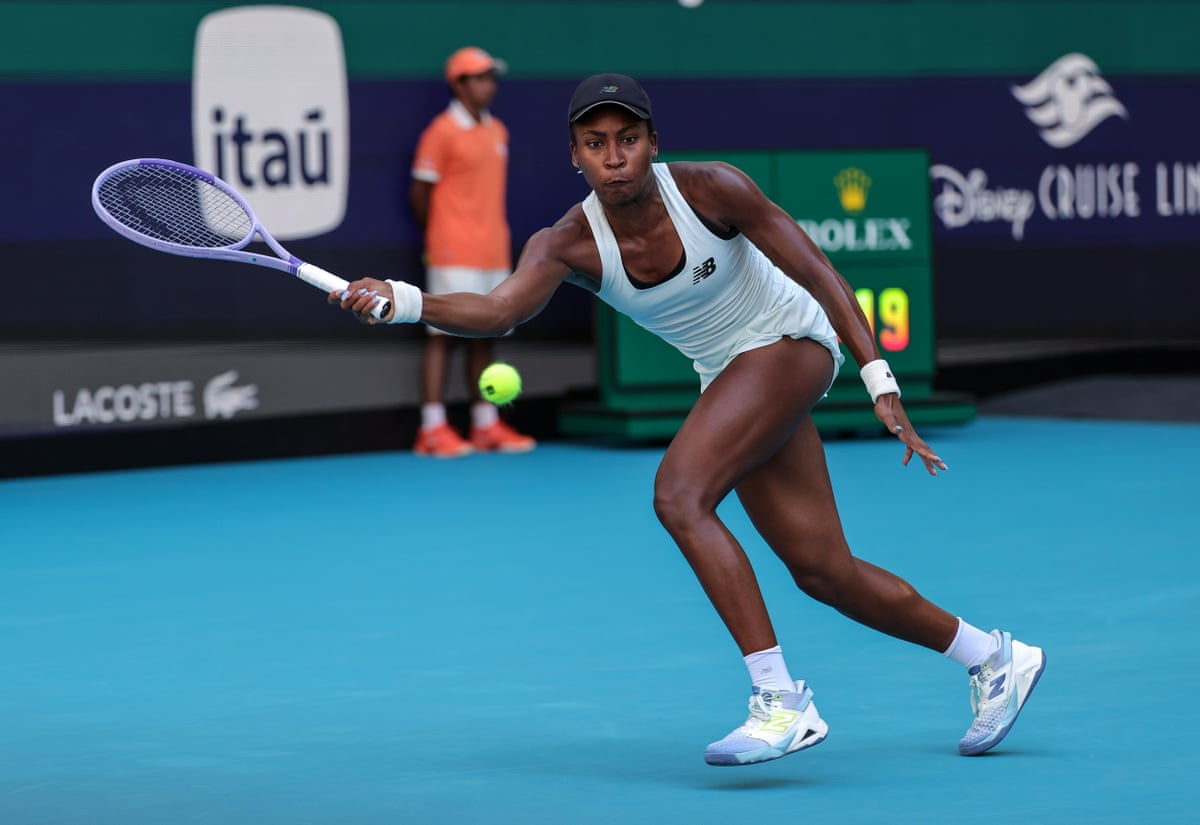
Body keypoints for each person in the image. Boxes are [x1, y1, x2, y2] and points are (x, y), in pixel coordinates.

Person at [335, 73, 1046, 764]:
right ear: (574, 155)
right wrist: (403, 299)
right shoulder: (565, 244)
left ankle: (780, 700)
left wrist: (878, 378)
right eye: (595, 143)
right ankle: (993, 657)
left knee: (679, 493)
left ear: (652, 142)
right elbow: (498, 311)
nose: (614, 158)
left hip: (791, 345)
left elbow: (820, 272)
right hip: (732, 374)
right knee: (824, 570)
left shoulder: (712, 189)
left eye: (628, 139)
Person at [407, 46, 535, 457]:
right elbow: (419, 195)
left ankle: (485, 424)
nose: (488, 85)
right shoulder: (440, 132)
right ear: (459, 84)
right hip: (451, 251)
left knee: (486, 335)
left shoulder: (498, 130)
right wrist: (442, 236)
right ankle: (432, 428)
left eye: (490, 77)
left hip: (492, 250)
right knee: (441, 335)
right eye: (480, 77)